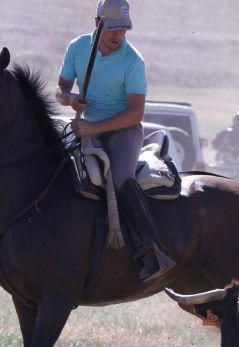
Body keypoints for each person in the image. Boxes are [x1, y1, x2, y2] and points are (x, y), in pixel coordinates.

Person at [55, 0, 174, 282]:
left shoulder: (133, 61)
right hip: (86, 126)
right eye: (112, 29)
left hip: (124, 129)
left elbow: (136, 112)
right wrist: (71, 99)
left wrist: (94, 126)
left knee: (121, 177)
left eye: (123, 29)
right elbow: (60, 89)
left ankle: (152, 251)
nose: (118, 36)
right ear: (97, 24)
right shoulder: (77, 47)